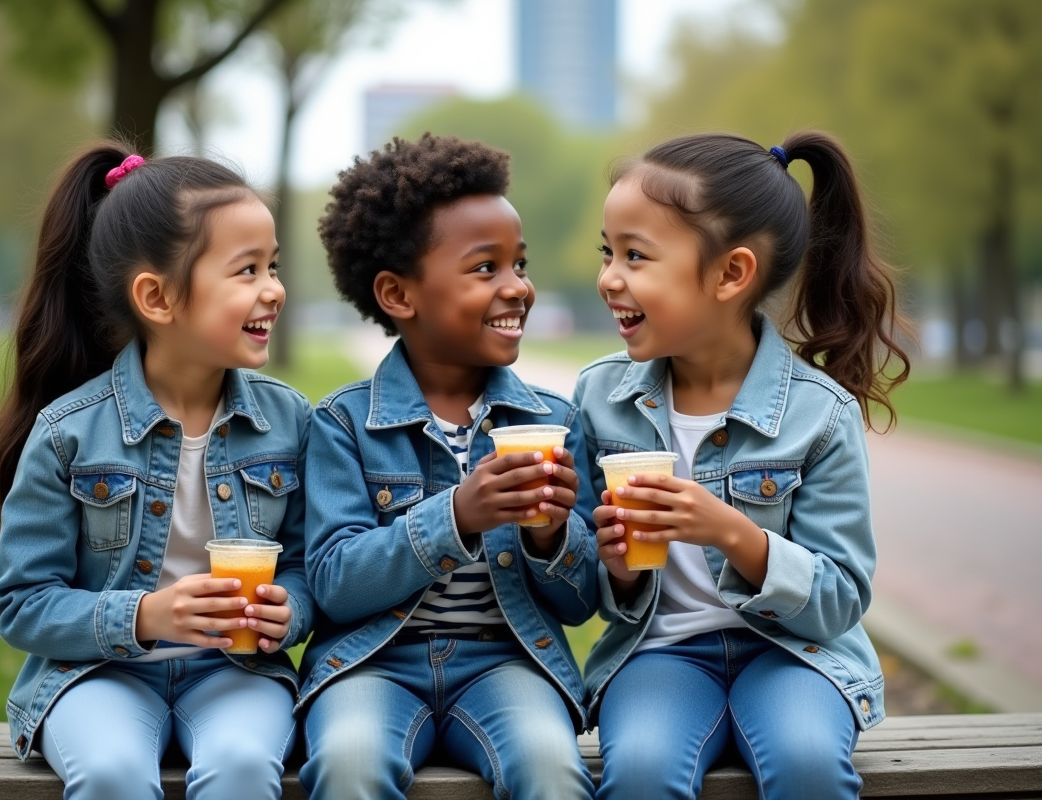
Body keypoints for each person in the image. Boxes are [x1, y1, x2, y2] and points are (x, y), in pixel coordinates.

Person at [576, 131, 910, 800]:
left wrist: (734, 534)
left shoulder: (820, 415)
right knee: (639, 770)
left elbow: (840, 597)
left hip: (795, 656)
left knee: (808, 762)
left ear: (731, 274)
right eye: (608, 252)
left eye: (636, 256)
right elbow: (581, 582)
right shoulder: (599, 399)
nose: (609, 277)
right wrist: (609, 564)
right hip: (660, 654)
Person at [0, 144, 314, 800]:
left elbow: (308, 566)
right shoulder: (69, 434)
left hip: (235, 674)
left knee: (244, 766)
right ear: (157, 297)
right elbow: (20, 603)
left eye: (272, 266)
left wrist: (289, 609)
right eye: (246, 270)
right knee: (111, 774)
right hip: (96, 675)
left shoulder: (291, 424)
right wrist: (147, 615)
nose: (273, 288)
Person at [297, 133, 599, 800]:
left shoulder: (552, 421)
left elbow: (581, 604)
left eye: (520, 264)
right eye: (485, 269)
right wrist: (457, 516)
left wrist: (551, 536)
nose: (518, 287)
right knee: (348, 762)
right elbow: (332, 583)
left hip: (506, 660)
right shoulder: (344, 423)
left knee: (551, 766)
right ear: (399, 294)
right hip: (374, 663)